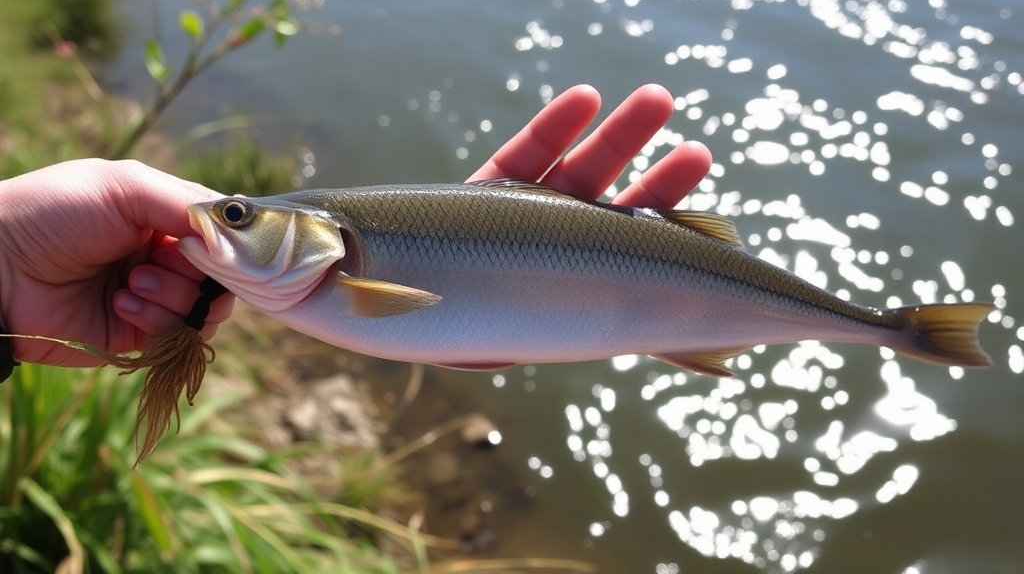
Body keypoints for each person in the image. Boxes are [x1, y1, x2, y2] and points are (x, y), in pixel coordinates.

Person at [0, 84, 712, 370]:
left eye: (237, 216)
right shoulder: (328, 286)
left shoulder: (334, 283)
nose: (214, 222)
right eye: (234, 214)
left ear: (330, 239)